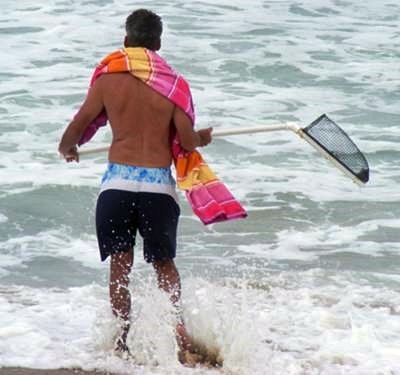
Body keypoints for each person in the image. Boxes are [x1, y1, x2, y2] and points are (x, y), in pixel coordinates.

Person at [58, 9, 212, 359]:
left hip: (117, 186)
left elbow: (78, 126)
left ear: (126, 41)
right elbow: (187, 143)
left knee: (120, 265)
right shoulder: (174, 85)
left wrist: (68, 148)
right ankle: (179, 330)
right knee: (164, 265)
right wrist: (202, 138)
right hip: (157, 188)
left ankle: (121, 342)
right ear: (158, 44)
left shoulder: (107, 80)